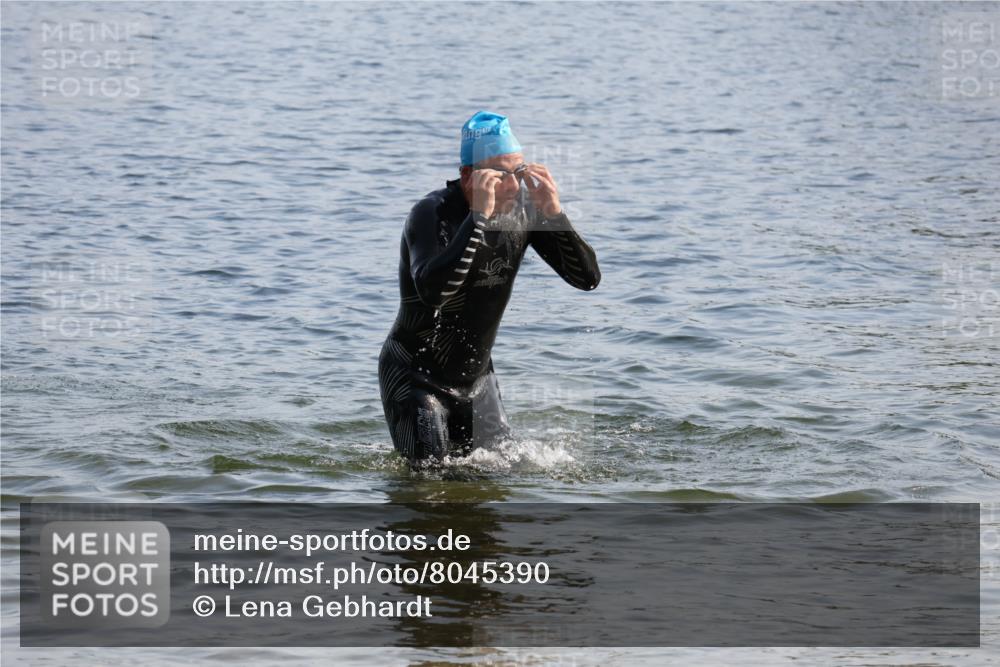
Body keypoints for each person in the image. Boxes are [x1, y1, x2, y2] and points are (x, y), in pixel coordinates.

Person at [378, 110, 601, 463]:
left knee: (498, 480)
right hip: (416, 378)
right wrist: (478, 218)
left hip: (477, 382)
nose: (512, 186)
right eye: (499, 175)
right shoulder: (431, 214)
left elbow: (587, 280)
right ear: (468, 175)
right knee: (430, 488)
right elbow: (435, 293)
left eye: (519, 172)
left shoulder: (524, 210)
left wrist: (556, 216)